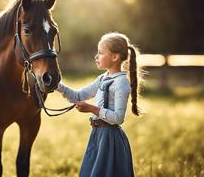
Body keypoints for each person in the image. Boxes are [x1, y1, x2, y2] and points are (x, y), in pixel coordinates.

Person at [57, 32, 142, 177]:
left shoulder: (121, 83)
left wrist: (91, 108)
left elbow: (118, 118)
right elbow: (78, 95)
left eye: (101, 53)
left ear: (115, 57)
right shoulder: (103, 78)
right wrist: (56, 85)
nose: (96, 56)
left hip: (109, 139)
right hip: (97, 135)